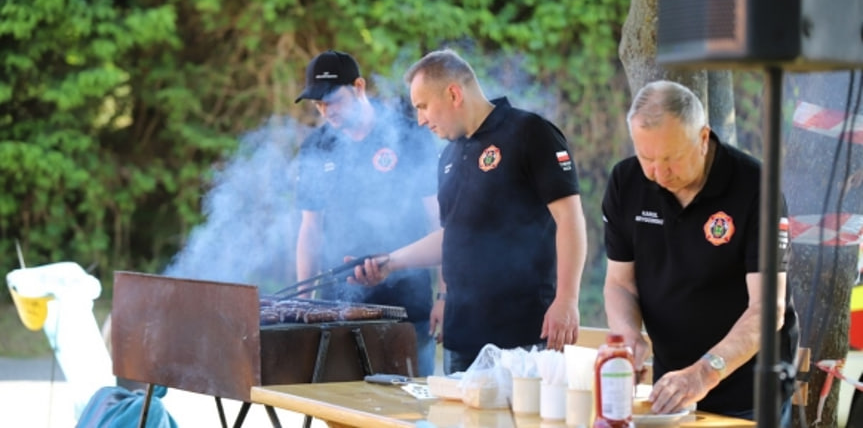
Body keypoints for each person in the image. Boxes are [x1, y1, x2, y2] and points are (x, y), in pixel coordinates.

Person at [351, 48, 589, 374]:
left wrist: (567, 300)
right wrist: (391, 263)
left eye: (422, 106)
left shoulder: (530, 133)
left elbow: (570, 219)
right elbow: (452, 236)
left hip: (523, 335)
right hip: (461, 337)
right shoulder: (448, 155)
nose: (420, 119)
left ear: (453, 93)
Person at [601, 80, 798, 420]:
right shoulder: (626, 181)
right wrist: (629, 333)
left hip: (748, 390)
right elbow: (620, 283)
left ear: (703, 138)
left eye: (672, 158)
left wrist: (705, 372)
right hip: (673, 388)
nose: (659, 173)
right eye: (647, 157)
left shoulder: (756, 187)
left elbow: (768, 307)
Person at [294, 50, 442, 377]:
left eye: (331, 100)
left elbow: (439, 220)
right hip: (338, 310)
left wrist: (446, 293)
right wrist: (302, 303)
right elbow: (310, 231)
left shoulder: (410, 135)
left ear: (358, 86)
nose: (324, 110)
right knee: (341, 415)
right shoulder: (316, 148)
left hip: (407, 310)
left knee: (412, 413)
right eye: (317, 103)